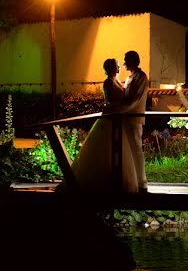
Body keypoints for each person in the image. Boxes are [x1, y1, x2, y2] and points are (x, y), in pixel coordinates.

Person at [59, 58, 137, 194]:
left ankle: (114, 179)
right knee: (104, 149)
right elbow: (110, 101)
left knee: (118, 149)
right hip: (110, 119)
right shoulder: (108, 82)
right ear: (111, 68)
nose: (119, 68)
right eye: (117, 66)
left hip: (117, 118)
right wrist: (125, 106)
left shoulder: (116, 81)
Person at [116, 50, 149, 192]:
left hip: (134, 118)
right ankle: (132, 181)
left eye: (126, 60)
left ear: (132, 61)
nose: (124, 63)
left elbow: (136, 99)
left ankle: (142, 182)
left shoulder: (141, 77)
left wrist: (121, 110)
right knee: (128, 150)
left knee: (136, 149)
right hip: (126, 118)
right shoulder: (129, 78)